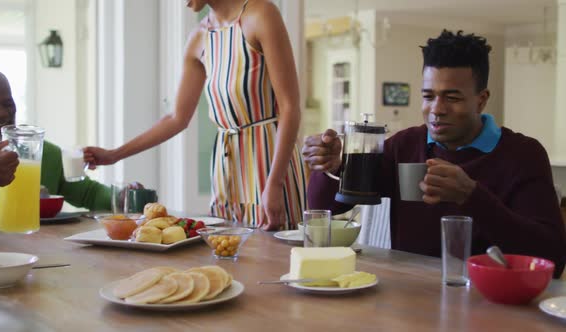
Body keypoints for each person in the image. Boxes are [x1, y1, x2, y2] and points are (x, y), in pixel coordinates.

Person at [302, 30, 566, 277]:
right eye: (428, 96)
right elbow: (323, 208)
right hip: (410, 299)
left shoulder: (522, 155)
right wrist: (335, 168)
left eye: (452, 98)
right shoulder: (405, 145)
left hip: (490, 303)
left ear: (482, 99)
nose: (437, 109)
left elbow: (552, 259)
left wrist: (472, 197)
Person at [84, 0, 306, 231]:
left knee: (276, 257)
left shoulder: (261, 14)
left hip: (271, 163)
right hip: (225, 167)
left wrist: (275, 182)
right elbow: (177, 118)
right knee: (228, 254)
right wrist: (113, 155)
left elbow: (290, 108)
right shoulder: (199, 37)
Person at [0, 67, 134, 218]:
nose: (1, 113)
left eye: (8, 104)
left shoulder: (44, 153)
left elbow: (89, 194)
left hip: (33, 243)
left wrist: (123, 196)